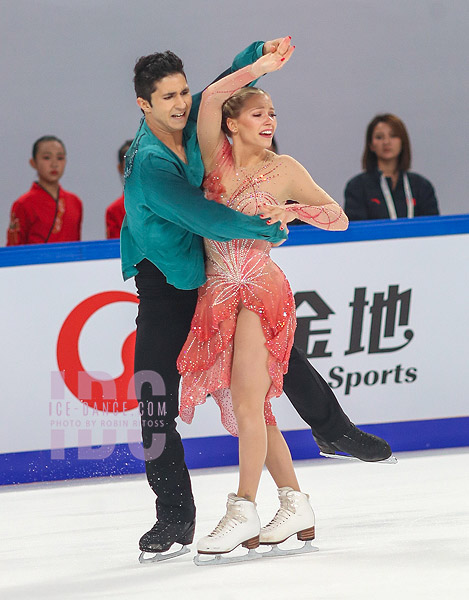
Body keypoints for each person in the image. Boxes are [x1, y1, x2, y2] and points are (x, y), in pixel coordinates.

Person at [122, 39, 393, 562]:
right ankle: (174, 515)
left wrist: (257, 55)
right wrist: (269, 226)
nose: (181, 103)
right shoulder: (149, 163)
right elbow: (204, 217)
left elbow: (227, 90)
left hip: (219, 279)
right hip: (169, 282)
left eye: (183, 92)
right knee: (156, 397)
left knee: (269, 368)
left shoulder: (204, 125)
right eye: (168, 98)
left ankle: (322, 443)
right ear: (144, 106)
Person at [176, 38, 349, 561]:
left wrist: (294, 213)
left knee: (249, 404)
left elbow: (339, 217)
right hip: (218, 293)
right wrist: (257, 67)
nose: (268, 119)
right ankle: (295, 502)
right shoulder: (215, 156)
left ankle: (242, 509)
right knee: (251, 406)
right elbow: (208, 101)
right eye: (257, 112)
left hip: (258, 288)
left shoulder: (285, 168)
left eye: (272, 112)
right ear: (234, 123)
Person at [344, 114, 440, 220]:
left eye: (393, 136)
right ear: (371, 145)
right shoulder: (357, 186)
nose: (386, 142)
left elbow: (433, 228)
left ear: (402, 142)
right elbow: (357, 229)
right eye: (379, 137)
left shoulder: (421, 186)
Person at [6, 136, 82, 245]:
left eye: (60, 158)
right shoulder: (23, 204)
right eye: (47, 158)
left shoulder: (75, 202)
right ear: (33, 163)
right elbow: (14, 249)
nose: (54, 164)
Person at [105, 140, 132, 239]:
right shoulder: (114, 211)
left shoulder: (163, 205)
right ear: (120, 168)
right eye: (129, 162)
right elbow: (115, 250)